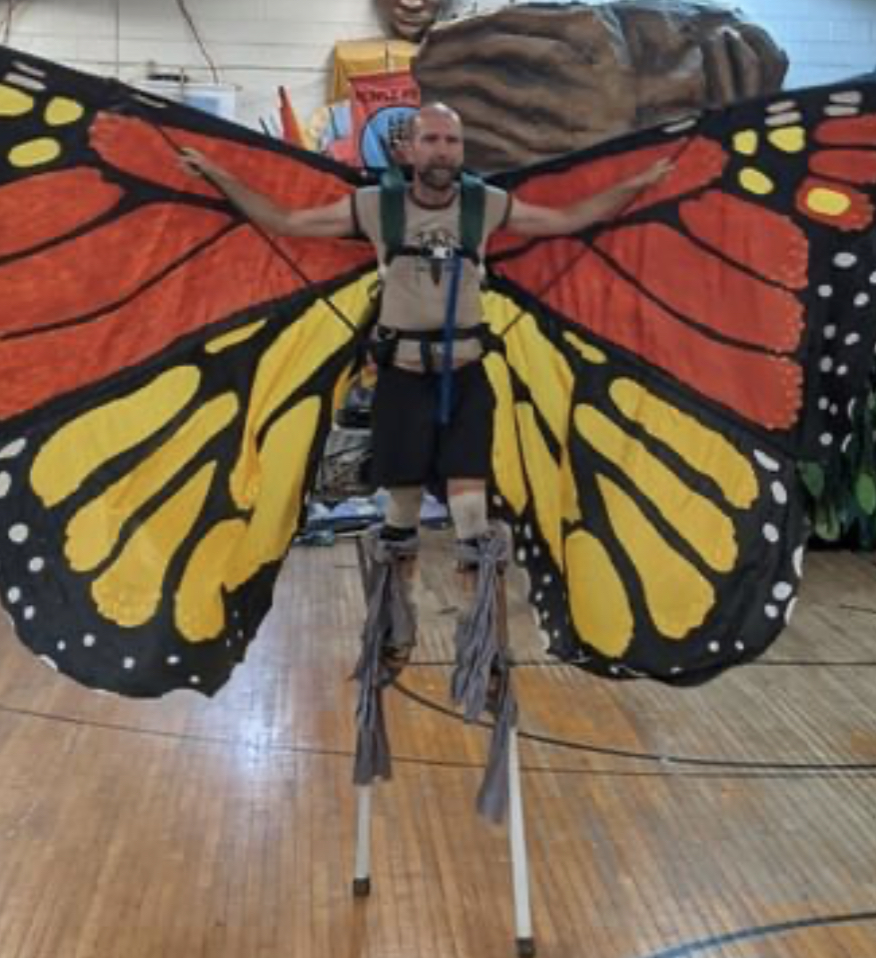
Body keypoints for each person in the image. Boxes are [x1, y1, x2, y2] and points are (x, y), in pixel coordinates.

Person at [181, 104, 671, 695]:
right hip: (402, 382)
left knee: (473, 523)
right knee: (400, 519)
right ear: (408, 149)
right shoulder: (376, 206)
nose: (442, 150)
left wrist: (636, 185)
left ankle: (482, 649)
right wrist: (219, 176)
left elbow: (567, 219)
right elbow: (286, 220)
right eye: (431, 139)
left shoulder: (482, 203)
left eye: (451, 141)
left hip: (465, 380)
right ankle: (395, 633)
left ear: (461, 150)